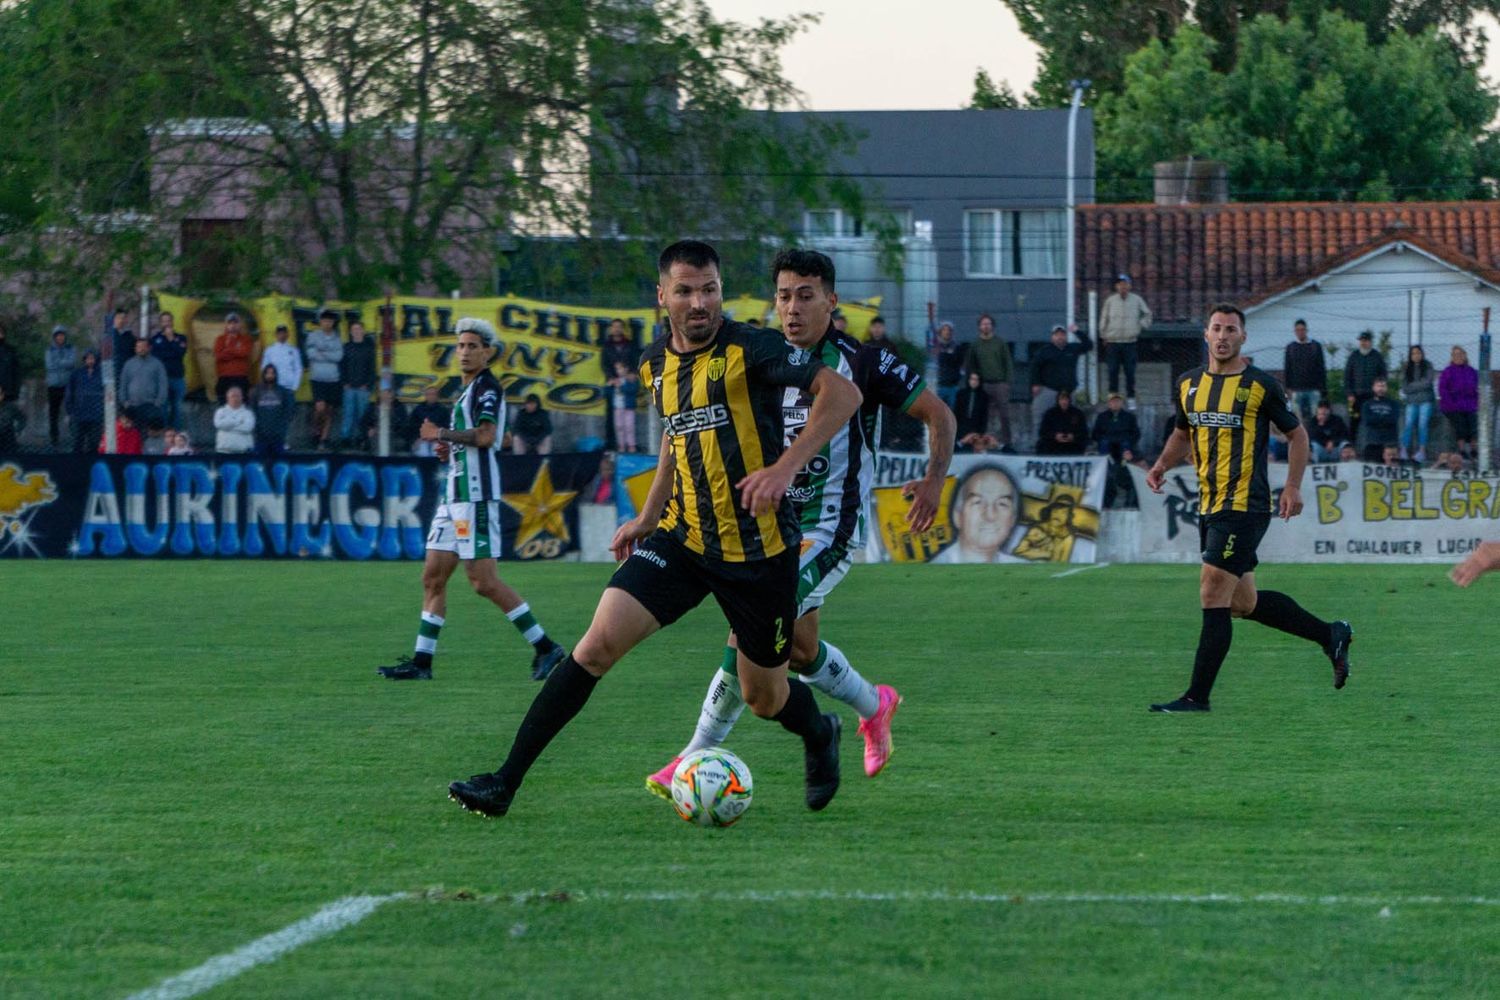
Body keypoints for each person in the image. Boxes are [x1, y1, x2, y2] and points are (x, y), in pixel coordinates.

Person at [446, 240, 863, 819]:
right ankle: (503, 782)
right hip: (683, 540)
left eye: (710, 289)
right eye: (687, 290)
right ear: (662, 295)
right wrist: (647, 516)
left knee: (763, 698)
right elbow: (676, 433)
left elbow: (842, 394)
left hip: (759, 554)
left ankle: (820, 733)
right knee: (594, 648)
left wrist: (782, 468)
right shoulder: (652, 363)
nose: (700, 302)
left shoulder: (755, 348)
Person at [642, 248, 955, 798]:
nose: (792, 308)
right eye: (784, 296)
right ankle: (873, 704)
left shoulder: (864, 361)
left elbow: (940, 414)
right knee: (800, 648)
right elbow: (680, 427)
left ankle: (691, 756)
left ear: (832, 303)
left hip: (830, 526)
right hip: (771, 527)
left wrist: (933, 480)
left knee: (749, 629)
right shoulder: (754, 353)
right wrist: (650, 512)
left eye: (806, 296)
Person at [1145, 303, 1353, 713]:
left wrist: (1292, 486)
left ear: (1243, 338)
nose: (1223, 336)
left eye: (1231, 330)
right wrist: (1161, 464)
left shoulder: (1260, 386)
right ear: (1205, 334)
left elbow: (1298, 436)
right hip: (1209, 502)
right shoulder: (1188, 385)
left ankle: (1196, 697)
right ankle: (1331, 634)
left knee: (1211, 592)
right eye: (1217, 329)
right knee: (1242, 603)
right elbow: (1182, 433)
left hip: (1245, 505)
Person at [377, 318, 569, 684]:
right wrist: (450, 450)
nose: (464, 352)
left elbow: (486, 436)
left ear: (487, 351)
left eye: (471, 346)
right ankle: (421, 662)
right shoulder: (467, 391)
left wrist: (441, 433)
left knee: (483, 582)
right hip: (453, 498)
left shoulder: (487, 389)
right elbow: (483, 442)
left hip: (475, 499)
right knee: (432, 578)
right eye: (460, 346)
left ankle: (545, 646)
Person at [931, 465, 1024, 563]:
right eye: (978, 502)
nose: (990, 516)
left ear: (1013, 519)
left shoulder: (1023, 570)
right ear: (957, 516)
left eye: (1002, 504)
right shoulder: (935, 570)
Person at [1029, 323, 1093, 439]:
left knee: (1070, 421)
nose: (1060, 337)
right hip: (1048, 390)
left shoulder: (1072, 348)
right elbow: (1035, 367)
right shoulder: (1044, 351)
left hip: (1068, 392)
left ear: (1066, 336)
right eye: (1057, 335)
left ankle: (1068, 448)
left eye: (1062, 334)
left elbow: (1089, 345)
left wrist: (1077, 331)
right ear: (1052, 337)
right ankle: (1037, 446)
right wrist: (1035, 384)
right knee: (1039, 419)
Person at [1097, 274, 1151, 406]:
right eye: (1120, 284)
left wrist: (1140, 325)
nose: (1123, 287)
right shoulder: (1110, 301)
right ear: (1116, 286)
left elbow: (1147, 314)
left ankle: (1131, 398)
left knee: (1130, 372)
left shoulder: (1136, 300)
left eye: (1125, 284)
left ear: (1129, 286)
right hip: (1113, 342)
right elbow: (1104, 318)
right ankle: (1113, 397)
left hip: (1130, 342)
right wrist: (1103, 335)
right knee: (1112, 370)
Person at [966, 313, 1014, 445]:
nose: (986, 326)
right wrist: (974, 382)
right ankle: (984, 443)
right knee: (985, 416)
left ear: (992, 326)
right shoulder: (975, 344)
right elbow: (971, 364)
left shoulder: (1000, 343)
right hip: (983, 385)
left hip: (1000, 384)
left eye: (988, 324)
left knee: (1004, 415)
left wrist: (1007, 382)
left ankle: (1007, 443)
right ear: (979, 327)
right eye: (983, 324)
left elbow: (1008, 362)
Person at [305, 309, 344, 444]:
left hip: (333, 379)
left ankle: (324, 438)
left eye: (330, 321)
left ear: (333, 323)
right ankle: (315, 430)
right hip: (317, 378)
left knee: (329, 410)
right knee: (319, 408)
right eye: (324, 320)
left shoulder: (337, 338)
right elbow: (310, 354)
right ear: (320, 322)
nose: (327, 323)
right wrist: (329, 354)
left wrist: (322, 353)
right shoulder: (313, 336)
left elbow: (338, 357)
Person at [600, 318, 639, 452]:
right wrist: (612, 378)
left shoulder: (630, 344)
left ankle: (631, 446)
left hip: (627, 382)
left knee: (629, 421)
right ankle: (613, 444)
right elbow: (604, 364)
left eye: (619, 327)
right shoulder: (607, 345)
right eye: (614, 326)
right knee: (612, 417)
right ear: (611, 329)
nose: (616, 329)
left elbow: (635, 361)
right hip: (613, 384)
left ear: (623, 329)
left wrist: (632, 374)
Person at [1344, 330, 1386, 441]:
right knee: (1354, 422)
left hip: (1372, 398)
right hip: (1356, 398)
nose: (1363, 343)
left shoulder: (1377, 356)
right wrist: (1349, 394)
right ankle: (1351, 448)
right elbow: (1347, 376)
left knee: (1373, 423)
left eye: (1366, 341)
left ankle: (1373, 448)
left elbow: (1383, 375)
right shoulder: (1354, 356)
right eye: (1361, 341)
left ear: (1370, 342)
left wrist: (1379, 392)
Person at [149, 310, 188, 430]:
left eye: (168, 321)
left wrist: (171, 339)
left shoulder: (181, 338)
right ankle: (165, 434)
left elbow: (180, 353)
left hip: (177, 377)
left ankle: (176, 435)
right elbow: (157, 356)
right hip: (162, 380)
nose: (166, 323)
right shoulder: (155, 339)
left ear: (172, 322)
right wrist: (171, 351)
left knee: (178, 408)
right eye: (164, 321)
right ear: (160, 323)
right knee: (163, 408)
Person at [339, 320, 376, 444]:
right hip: (348, 387)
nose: (356, 331)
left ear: (363, 331)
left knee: (362, 415)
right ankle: (345, 438)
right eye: (354, 329)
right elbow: (342, 366)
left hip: (363, 388)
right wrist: (344, 382)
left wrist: (368, 384)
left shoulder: (369, 348)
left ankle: (362, 438)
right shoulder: (346, 347)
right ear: (351, 332)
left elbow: (372, 368)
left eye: (358, 329)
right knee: (348, 414)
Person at [119, 336, 168, 430]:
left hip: (151, 406)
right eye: (138, 347)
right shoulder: (129, 364)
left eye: (143, 346)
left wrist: (158, 402)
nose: (141, 349)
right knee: (134, 432)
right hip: (132, 406)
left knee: (148, 432)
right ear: (135, 348)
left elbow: (163, 384)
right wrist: (124, 402)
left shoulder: (157, 364)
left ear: (149, 348)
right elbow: (123, 384)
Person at [1439, 345, 1479, 461]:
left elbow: (1476, 389)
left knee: (1473, 424)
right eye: (1455, 354)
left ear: (1465, 356)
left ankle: (1473, 450)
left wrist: (1475, 402)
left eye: (1461, 354)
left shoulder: (1471, 371)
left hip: (1469, 404)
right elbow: (1443, 390)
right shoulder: (1448, 371)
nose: (1458, 357)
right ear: (1452, 357)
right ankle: (1462, 450)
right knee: (1460, 424)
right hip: (1452, 405)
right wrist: (1452, 404)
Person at [1281, 319, 1326, 421]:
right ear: (1295, 331)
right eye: (1298, 330)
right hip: (1296, 390)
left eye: (1302, 330)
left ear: (1306, 330)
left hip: (1314, 389)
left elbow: (1321, 368)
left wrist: (1322, 388)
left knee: (1316, 418)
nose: (1300, 332)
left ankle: (1313, 436)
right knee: (1297, 419)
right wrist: (1288, 388)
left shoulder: (1315, 346)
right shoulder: (1290, 347)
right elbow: (1287, 368)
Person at [1397, 345, 1435, 462]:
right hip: (1411, 401)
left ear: (1422, 354)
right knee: (1408, 424)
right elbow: (1404, 388)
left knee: (1422, 425)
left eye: (1418, 353)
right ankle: (1403, 450)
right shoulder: (1406, 367)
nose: (1416, 355)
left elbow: (1428, 383)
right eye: (1413, 353)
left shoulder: (1428, 365)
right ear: (1410, 355)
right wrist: (1419, 385)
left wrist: (1412, 385)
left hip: (1426, 400)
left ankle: (1422, 451)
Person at [250, 364, 295, 459]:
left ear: (276, 375)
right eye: (268, 373)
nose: (270, 375)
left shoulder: (283, 392)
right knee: (258, 464)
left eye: (272, 373)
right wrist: (257, 428)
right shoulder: (255, 391)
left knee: (279, 465)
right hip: (260, 436)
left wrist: (282, 428)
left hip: (278, 436)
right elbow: (252, 411)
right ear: (264, 374)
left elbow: (288, 412)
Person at [65, 349, 104, 453]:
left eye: (92, 358)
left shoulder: (102, 374)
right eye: (88, 358)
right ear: (84, 359)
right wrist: (69, 410)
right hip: (79, 413)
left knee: (94, 443)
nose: (90, 360)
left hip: (96, 415)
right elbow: (70, 392)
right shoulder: (76, 373)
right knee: (77, 442)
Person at [44, 325, 77, 447]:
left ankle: (75, 436)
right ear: (54, 337)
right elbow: (49, 366)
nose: (60, 337)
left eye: (62, 335)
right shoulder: (49, 350)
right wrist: (64, 363)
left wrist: (58, 362)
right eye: (57, 335)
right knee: (53, 413)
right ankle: (54, 438)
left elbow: (72, 362)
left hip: (67, 385)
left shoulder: (71, 348)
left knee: (71, 410)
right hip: (53, 385)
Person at [212, 313, 255, 402]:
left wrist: (228, 349)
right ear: (226, 325)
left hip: (241, 377)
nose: (233, 325)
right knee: (223, 406)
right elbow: (218, 356)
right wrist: (236, 351)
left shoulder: (246, 339)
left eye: (235, 323)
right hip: (224, 377)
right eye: (230, 323)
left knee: (243, 405)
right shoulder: (220, 339)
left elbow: (245, 353)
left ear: (240, 325)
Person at [1357, 377, 1401, 463]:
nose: (1381, 388)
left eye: (1383, 386)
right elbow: (1367, 420)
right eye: (1378, 386)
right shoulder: (1367, 404)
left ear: (1387, 388)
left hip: (1390, 442)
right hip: (1373, 441)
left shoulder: (1394, 404)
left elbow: (1393, 419)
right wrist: (1384, 418)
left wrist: (1377, 418)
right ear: (1373, 387)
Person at [1036, 388, 1088, 455]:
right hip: (1054, 443)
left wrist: (1073, 436)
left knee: (1081, 443)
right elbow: (1042, 432)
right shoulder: (1050, 413)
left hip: (1072, 443)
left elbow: (1084, 432)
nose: (1064, 402)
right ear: (1058, 400)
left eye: (1066, 399)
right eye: (1061, 399)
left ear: (1069, 400)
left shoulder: (1078, 413)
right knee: (1042, 444)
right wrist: (1055, 436)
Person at [1091, 392, 1140, 461]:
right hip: (1107, 440)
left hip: (1124, 440)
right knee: (1104, 444)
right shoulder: (1102, 416)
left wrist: (1129, 440)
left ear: (1122, 403)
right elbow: (1095, 433)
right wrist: (1101, 439)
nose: (1115, 404)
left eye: (1118, 401)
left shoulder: (1129, 417)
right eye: (1113, 401)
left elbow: (1136, 433)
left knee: (1126, 446)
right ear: (1109, 403)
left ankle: (1125, 465)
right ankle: (1104, 465)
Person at [953, 371, 993, 451]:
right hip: (962, 426)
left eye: (976, 380)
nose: (974, 382)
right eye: (972, 379)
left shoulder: (984, 396)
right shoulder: (961, 394)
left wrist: (981, 432)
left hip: (976, 428)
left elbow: (984, 415)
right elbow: (956, 411)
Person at [931, 320, 967, 410]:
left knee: (953, 412)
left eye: (949, 330)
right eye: (944, 330)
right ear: (940, 332)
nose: (947, 332)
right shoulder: (935, 348)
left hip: (953, 387)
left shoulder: (957, 348)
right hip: (938, 386)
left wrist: (960, 382)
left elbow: (962, 366)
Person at [261, 324, 304, 395]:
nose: (282, 335)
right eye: (279, 333)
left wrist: (295, 387)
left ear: (287, 334)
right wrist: (268, 385)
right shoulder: (269, 350)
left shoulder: (293, 350)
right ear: (276, 335)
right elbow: (264, 368)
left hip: (289, 387)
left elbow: (298, 369)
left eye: (284, 333)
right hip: (274, 387)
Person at [407, 382, 449, 456]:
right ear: (425, 396)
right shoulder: (418, 410)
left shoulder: (443, 410)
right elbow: (412, 427)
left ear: (437, 396)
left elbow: (446, 427)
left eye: (433, 394)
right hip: (421, 440)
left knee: (437, 451)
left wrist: (439, 438)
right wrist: (416, 439)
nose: (431, 396)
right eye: (429, 394)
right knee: (422, 451)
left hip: (437, 439)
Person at [213, 385, 255, 454]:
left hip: (243, 452)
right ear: (227, 398)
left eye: (238, 396)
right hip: (223, 451)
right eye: (233, 396)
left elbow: (247, 428)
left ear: (242, 397)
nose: (235, 398)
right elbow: (218, 424)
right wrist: (239, 421)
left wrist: (227, 427)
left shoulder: (248, 413)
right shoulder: (220, 411)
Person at [608, 361, 639, 453]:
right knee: (619, 426)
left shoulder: (632, 379)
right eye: (617, 369)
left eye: (620, 368)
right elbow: (608, 393)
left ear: (626, 369)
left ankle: (631, 446)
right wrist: (609, 385)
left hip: (628, 407)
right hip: (617, 407)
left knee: (629, 426)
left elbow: (633, 390)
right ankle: (621, 445)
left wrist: (621, 386)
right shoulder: (615, 379)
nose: (618, 371)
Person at [0, 384, 24, 454]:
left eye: (0, 394)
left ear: (3, 395)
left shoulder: (11, 407)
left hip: (8, 442)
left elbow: (22, 418)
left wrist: (18, 429)